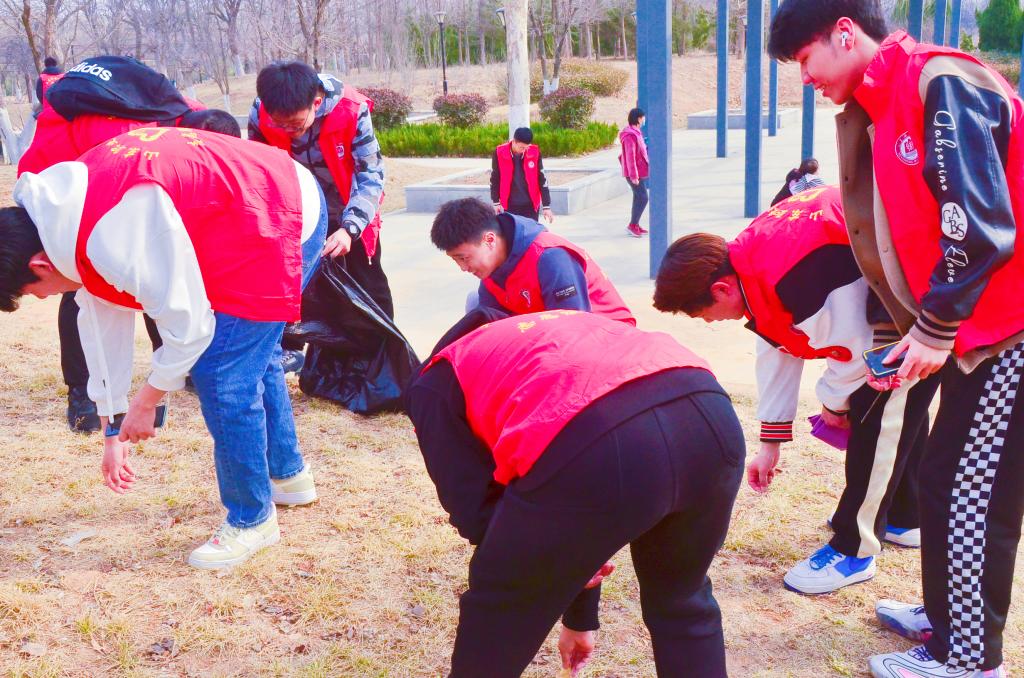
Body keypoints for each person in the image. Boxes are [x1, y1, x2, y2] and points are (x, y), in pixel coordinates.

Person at [769, 2, 1024, 676]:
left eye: (805, 60)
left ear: (844, 32)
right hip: (974, 327)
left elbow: (979, 222)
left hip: (1007, 328)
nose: (806, 79)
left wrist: (935, 327)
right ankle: (949, 617)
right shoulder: (882, 101)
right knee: (944, 479)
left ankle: (969, 659)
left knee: (972, 491)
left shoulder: (938, 80)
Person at [0, 127, 327, 569]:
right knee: (252, 353)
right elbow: (101, 324)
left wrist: (147, 401)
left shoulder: (110, 232)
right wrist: (112, 427)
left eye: (31, 293)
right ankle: (287, 476)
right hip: (253, 203)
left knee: (222, 373)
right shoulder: (64, 219)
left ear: (38, 265)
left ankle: (252, 518)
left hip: (280, 211)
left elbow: (189, 328)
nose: (42, 298)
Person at [406, 309, 744, 677]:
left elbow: (480, 516)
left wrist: (566, 576)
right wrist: (580, 617)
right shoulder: (547, 330)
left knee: (501, 599)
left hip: (600, 437)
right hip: (708, 412)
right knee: (682, 602)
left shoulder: (433, 383)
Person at [653, 185, 940, 594]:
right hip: (898, 295)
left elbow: (858, 350)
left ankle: (854, 550)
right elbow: (776, 343)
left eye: (704, 315)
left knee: (877, 417)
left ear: (720, 289)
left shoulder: (793, 274)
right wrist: (770, 441)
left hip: (913, 313)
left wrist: (834, 405)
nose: (710, 323)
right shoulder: (750, 261)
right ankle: (905, 517)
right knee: (897, 415)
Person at [19, 58, 216, 433]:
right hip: (75, 192)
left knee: (150, 276)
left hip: (119, 189)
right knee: (86, 287)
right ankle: (87, 394)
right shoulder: (151, 109)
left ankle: (171, 369)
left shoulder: (170, 111)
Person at [248, 61, 390, 374]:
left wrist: (350, 229)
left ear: (315, 102)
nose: (288, 131)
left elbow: (371, 174)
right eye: (280, 125)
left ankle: (380, 364)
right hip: (297, 214)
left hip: (349, 209)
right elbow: (257, 170)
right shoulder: (261, 111)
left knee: (368, 287)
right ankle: (299, 354)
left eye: (295, 124)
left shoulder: (351, 109)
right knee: (297, 285)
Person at [430, 197, 634, 323]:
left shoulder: (550, 258)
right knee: (476, 306)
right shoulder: (491, 271)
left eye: (464, 258)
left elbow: (574, 330)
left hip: (607, 335)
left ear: (489, 240)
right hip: (549, 328)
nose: (463, 268)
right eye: (456, 260)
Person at [489, 126, 553, 223]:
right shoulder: (499, 152)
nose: (524, 150)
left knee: (531, 231)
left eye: (526, 147)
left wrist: (546, 206)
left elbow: (542, 179)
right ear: (514, 141)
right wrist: (496, 202)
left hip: (531, 205)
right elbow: (494, 178)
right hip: (510, 205)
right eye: (521, 147)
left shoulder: (534, 152)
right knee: (512, 231)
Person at [619, 107, 649, 238]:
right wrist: (634, 176)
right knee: (643, 197)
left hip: (638, 172)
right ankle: (632, 225)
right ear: (638, 118)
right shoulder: (630, 135)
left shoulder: (636, 132)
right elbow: (630, 157)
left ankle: (635, 224)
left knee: (638, 197)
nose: (644, 119)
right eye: (643, 117)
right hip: (633, 173)